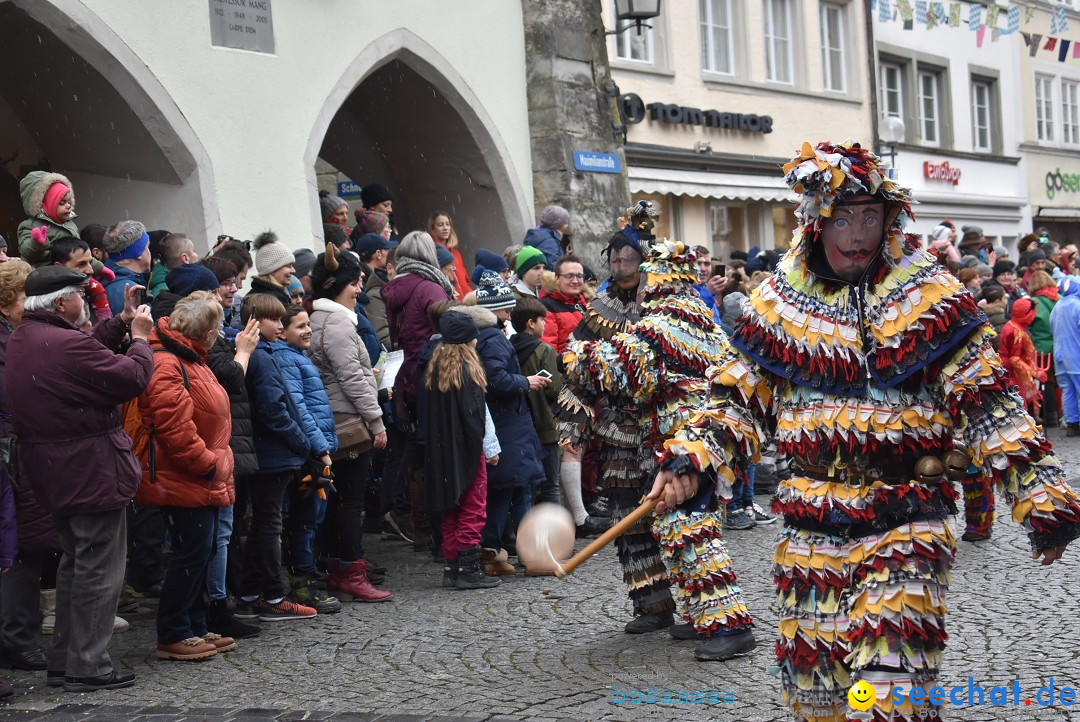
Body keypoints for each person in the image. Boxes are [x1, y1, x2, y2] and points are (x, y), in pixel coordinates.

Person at [649, 140, 1080, 722]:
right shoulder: (778, 303)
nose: (856, 234)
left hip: (904, 518)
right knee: (817, 694)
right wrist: (690, 461)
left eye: (870, 217)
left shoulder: (928, 298)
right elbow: (735, 403)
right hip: (809, 527)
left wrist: (1044, 500)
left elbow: (991, 406)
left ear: (890, 220)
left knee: (887, 694)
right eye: (843, 218)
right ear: (816, 221)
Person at [563, 238, 755, 660]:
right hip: (707, 438)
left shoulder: (661, 325)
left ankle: (730, 626)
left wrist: (576, 354)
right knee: (682, 527)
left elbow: (622, 369)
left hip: (688, 443)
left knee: (687, 530)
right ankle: (699, 616)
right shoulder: (701, 316)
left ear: (657, 280)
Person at [7, 267, 153, 692]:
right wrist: (140, 339)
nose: (86, 303)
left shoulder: (28, 336)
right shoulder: (60, 342)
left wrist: (122, 322)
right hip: (88, 467)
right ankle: (88, 665)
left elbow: (83, 353)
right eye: (80, 296)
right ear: (59, 303)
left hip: (57, 467)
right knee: (98, 569)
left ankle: (67, 661)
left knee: (76, 563)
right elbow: (132, 377)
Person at [555, 201, 675, 632]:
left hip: (668, 426)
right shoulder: (599, 308)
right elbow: (576, 365)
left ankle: (704, 609)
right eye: (614, 257)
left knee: (677, 518)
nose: (621, 263)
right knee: (628, 517)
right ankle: (652, 603)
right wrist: (574, 423)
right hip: (621, 430)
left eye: (629, 257)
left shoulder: (668, 302)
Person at [135, 292, 236, 661]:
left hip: (201, 474)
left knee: (200, 552)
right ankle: (174, 631)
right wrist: (209, 464)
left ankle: (193, 626)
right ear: (207, 333)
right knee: (189, 554)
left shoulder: (189, 356)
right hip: (185, 475)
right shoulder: (168, 362)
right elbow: (174, 429)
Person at [308, 247, 391, 602]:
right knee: (350, 501)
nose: (359, 290)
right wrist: (376, 421)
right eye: (355, 283)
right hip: (347, 421)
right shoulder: (339, 321)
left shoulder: (319, 319)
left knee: (336, 499)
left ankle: (338, 566)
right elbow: (353, 378)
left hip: (333, 417)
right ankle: (350, 570)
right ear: (338, 285)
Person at [234, 293, 317, 622]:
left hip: (265, 452)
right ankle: (272, 595)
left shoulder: (258, 353)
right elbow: (273, 409)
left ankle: (254, 592)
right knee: (269, 523)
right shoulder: (262, 357)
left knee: (261, 523)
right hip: (273, 453)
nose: (281, 326)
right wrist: (301, 442)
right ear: (255, 320)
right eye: (275, 320)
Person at [467, 274, 549, 559]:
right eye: (507, 307)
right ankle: (523, 551)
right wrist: (527, 382)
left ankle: (497, 549)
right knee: (514, 489)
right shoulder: (494, 339)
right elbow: (496, 380)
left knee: (511, 489)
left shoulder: (487, 337)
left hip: (507, 424)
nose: (511, 312)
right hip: (508, 425)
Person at [381, 231, 455, 551]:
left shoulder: (397, 288)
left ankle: (417, 526)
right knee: (433, 458)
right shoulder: (430, 287)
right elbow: (447, 326)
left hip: (405, 377)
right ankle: (436, 534)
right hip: (430, 375)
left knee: (416, 454)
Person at [201, 257, 262, 639]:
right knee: (218, 534)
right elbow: (230, 379)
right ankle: (214, 606)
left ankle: (219, 602)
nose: (234, 289)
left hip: (227, 446)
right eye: (227, 282)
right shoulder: (210, 340)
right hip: (216, 450)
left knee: (226, 530)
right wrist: (243, 350)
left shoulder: (218, 334)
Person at [271, 306, 342, 614]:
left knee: (311, 518)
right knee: (306, 520)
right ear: (282, 331)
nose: (308, 330)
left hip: (316, 449)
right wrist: (321, 448)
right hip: (311, 455)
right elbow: (299, 407)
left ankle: (306, 574)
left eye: (308, 324)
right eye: (299, 326)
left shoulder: (297, 357)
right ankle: (303, 582)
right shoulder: (287, 359)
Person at [423, 310, 502, 589]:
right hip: (467, 451)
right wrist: (489, 448)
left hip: (441, 452)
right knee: (472, 506)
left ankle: (452, 565)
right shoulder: (468, 373)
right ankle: (468, 568)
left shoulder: (435, 370)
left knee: (451, 508)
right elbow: (477, 417)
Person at [0, 260, 50, 678]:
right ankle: (17, 638)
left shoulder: (14, 335)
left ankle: (21, 634)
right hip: (11, 452)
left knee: (25, 545)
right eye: (24, 298)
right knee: (17, 547)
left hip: (19, 447)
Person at [510, 296, 563, 510]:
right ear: (531, 323)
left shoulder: (507, 347)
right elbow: (555, 390)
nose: (545, 324)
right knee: (550, 484)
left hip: (518, 427)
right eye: (543, 320)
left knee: (526, 486)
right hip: (544, 426)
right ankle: (554, 536)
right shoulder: (545, 351)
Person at [16, 171, 80, 268]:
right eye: (62, 203)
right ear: (45, 205)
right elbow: (26, 252)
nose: (68, 206)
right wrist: (36, 243)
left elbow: (81, 250)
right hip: (45, 275)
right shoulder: (30, 225)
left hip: (71, 271)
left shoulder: (70, 224)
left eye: (69, 202)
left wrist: (99, 267)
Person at [49, 237, 111, 323]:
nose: (91, 270)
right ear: (59, 267)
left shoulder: (94, 290)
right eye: (81, 264)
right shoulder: (45, 304)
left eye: (90, 262)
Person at [999, 298, 1043, 414]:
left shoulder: (1013, 325)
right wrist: (1035, 373)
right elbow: (1015, 359)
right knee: (1021, 407)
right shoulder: (1015, 331)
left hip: (1014, 373)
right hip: (1014, 375)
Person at [1028, 269, 1060, 428]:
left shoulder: (1034, 302)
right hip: (1061, 345)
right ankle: (1064, 415)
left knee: (1047, 382)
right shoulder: (1060, 298)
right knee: (1061, 382)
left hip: (1042, 348)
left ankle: (1051, 418)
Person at [101, 220, 153, 315]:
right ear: (139, 253)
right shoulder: (132, 292)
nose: (149, 253)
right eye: (147, 247)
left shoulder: (105, 279)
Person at [354, 233, 395, 349]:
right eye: (387, 250)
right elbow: (382, 336)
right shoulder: (372, 288)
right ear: (378, 254)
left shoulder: (374, 280)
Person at [539, 254, 586, 355]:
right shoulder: (546, 306)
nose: (575, 281)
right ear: (556, 279)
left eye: (579, 276)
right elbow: (548, 350)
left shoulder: (585, 302)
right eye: (569, 276)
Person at [1052, 276, 1080, 436]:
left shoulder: (1057, 306)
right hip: (1076, 356)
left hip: (1060, 357)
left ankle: (1072, 424)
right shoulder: (1077, 305)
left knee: (1067, 391)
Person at [247, 231, 296, 308]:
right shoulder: (275, 300)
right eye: (288, 266)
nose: (293, 271)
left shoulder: (251, 296)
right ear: (272, 269)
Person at [428, 211, 470, 300]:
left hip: (468, 301)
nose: (445, 228)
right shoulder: (432, 253)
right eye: (440, 225)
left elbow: (466, 279)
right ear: (432, 228)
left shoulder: (456, 254)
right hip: (452, 302)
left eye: (447, 224)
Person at [148, 233, 197, 298]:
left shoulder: (165, 285)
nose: (196, 255)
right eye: (194, 251)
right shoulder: (170, 292)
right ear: (185, 258)